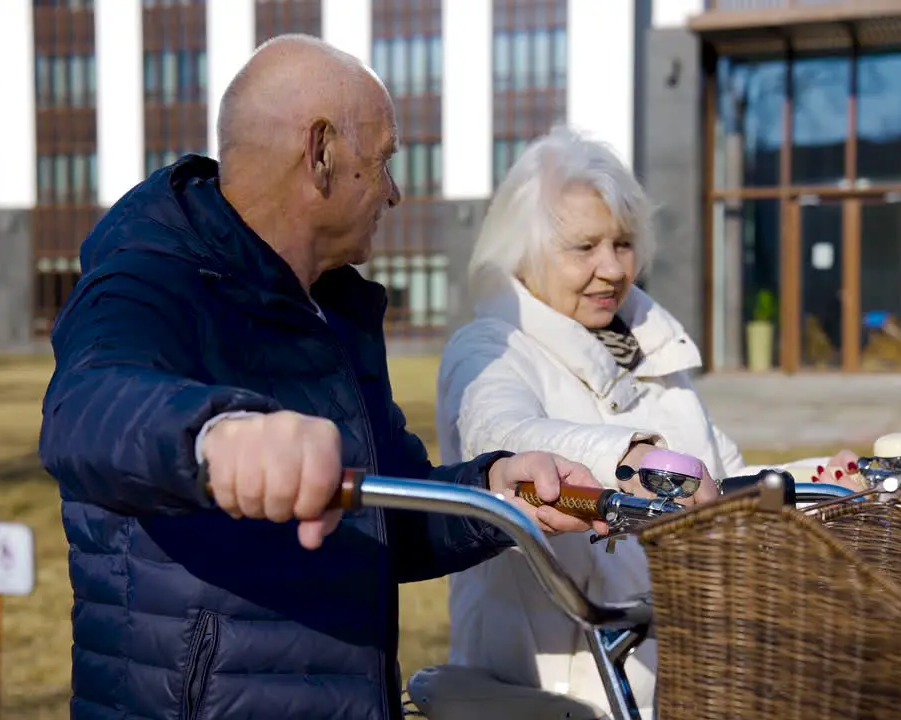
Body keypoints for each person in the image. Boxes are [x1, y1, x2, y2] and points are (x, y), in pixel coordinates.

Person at [38, 37, 606, 720]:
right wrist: (218, 437)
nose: (395, 192)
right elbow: (87, 408)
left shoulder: (334, 309)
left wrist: (495, 492)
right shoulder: (148, 275)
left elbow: (384, 517)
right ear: (321, 155)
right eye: (384, 160)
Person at [435, 126, 866, 716]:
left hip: (675, 678)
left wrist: (819, 483)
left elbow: (722, 479)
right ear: (525, 252)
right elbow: (505, 440)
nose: (612, 268)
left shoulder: (650, 353)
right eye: (584, 248)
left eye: (623, 243)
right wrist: (631, 461)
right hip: (555, 693)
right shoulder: (489, 348)